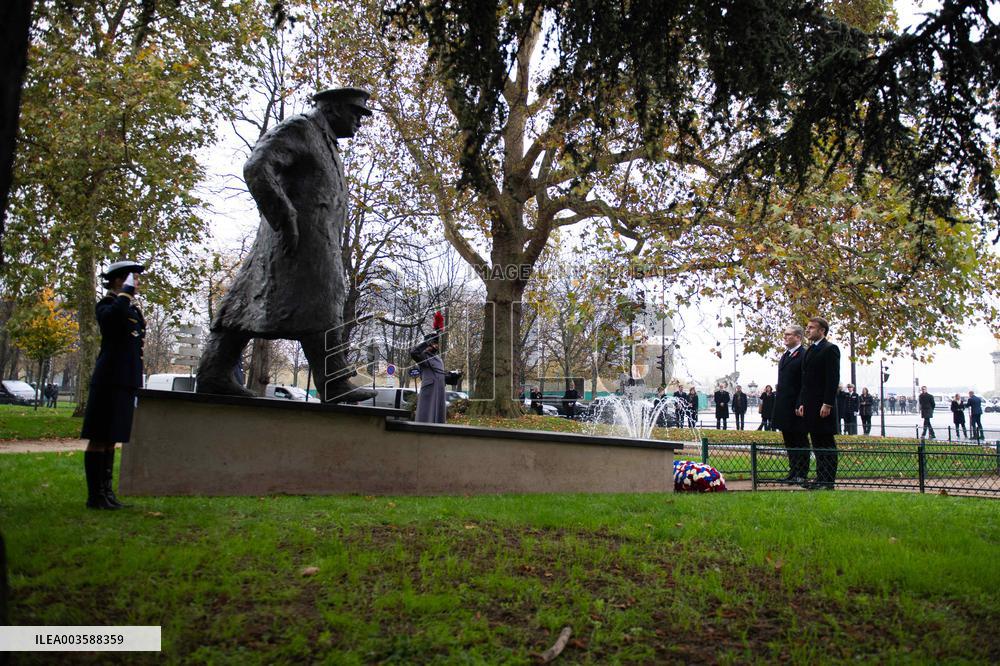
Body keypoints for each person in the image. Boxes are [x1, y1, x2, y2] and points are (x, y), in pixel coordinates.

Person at [195, 87, 377, 404]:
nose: (360, 121)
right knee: (318, 302)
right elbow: (257, 166)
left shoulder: (326, 141)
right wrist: (283, 214)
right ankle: (331, 382)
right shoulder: (301, 128)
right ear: (333, 108)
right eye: (355, 113)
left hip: (314, 243)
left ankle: (215, 372)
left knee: (271, 303)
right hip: (292, 241)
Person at [79, 260, 146, 510]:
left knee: (111, 438)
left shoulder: (132, 309)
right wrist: (124, 295)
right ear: (119, 280)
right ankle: (95, 495)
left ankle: (106, 493)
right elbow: (109, 323)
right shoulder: (108, 305)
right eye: (133, 280)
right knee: (99, 437)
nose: (137, 284)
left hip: (125, 381)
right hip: (108, 380)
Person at [796, 317, 840, 490]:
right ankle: (820, 478)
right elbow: (805, 380)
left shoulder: (830, 349)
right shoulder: (810, 350)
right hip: (810, 404)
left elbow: (832, 378)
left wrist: (828, 403)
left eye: (811, 328)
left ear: (822, 330)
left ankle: (828, 481)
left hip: (822, 405)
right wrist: (801, 402)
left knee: (826, 442)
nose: (808, 330)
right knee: (816, 442)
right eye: (807, 327)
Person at [773, 325, 808, 484]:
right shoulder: (786, 355)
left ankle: (801, 473)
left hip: (797, 406)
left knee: (800, 440)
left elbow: (805, 382)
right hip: (784, 405)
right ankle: (793, 471)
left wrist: (800, 402)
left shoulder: (804, 354)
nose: (785, 337)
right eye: (785, 334)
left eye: (789, 335)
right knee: (789, 440)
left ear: (798, 337)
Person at [410, 332, 446, 424]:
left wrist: (453, 376)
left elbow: (441, 374)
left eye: (437, 343)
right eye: (433, 343)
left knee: (438, 417)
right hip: (429, 391)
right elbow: (414, 352)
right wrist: (426, 343)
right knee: (426, 416)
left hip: (439, 390)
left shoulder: (439, 359)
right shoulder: (423, 356)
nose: (436, 346)